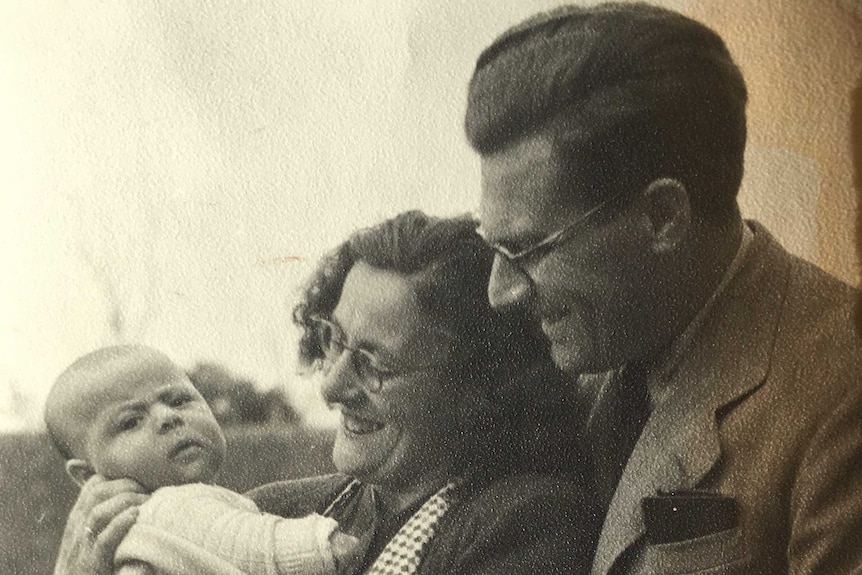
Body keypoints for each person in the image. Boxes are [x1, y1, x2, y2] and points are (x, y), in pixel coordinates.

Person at [465, 2, 862, 574]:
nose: (500, 292)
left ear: (663, 218)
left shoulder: (842, 394)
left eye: (527, 250)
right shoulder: (599, 343)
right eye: (493, 247)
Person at [53, 211, 597, 575]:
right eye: (333, 340)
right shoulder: (274, 511)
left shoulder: (528, 523)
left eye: (374, 362)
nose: (333, 384)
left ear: (479, 385)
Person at [45, 344, 367, 575]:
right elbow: (253, 544)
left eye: (179, 400)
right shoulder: (168, 509)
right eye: (130, 421)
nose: (167, 417)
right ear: (89, 477)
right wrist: (326, 545)